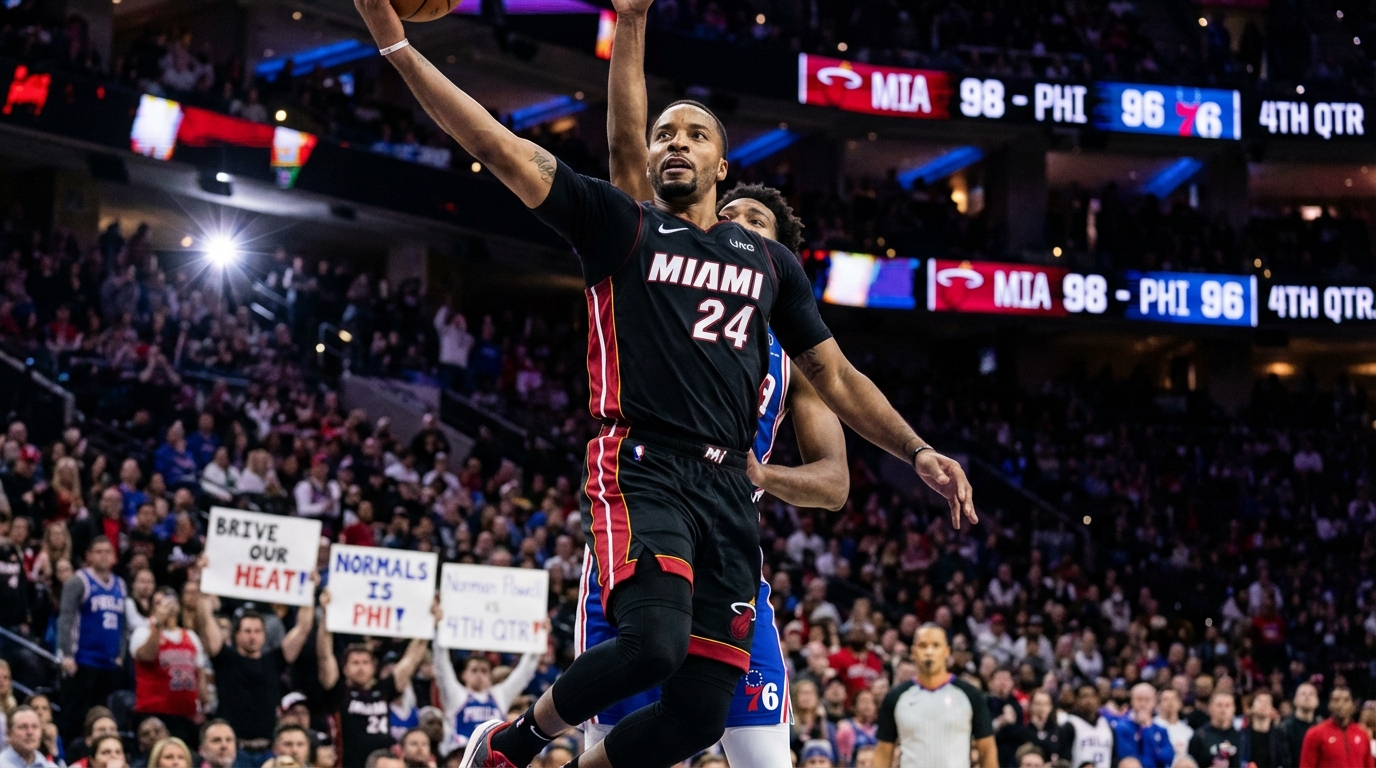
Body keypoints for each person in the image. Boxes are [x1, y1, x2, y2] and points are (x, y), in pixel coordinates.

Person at [353, 0, 975, 764]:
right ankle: (513, 740)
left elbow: (836, 376)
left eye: (696, 133)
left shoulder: (771, 265)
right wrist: (397, 49)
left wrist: (917, 452)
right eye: (664, 135)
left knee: (699, 719)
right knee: (652, 645)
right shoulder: (626, 228)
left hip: (729, 495)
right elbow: (498, 143)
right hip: (644, 465)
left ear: (722, 164)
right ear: (649, 163)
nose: (675, 142)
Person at [317, 589, 429, 766]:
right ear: (344, 669)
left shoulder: (383, 690)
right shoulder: (338, 691)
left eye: (365, 662)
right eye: (355, 663)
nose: (361, 668)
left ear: (373, 667)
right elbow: (324, 655)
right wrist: (326, 616)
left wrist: (428, 621)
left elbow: (411, 659)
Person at [204, 599, 316, 765]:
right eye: (247, 631)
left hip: (268, 751)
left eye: (257, 631)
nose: (253, 636)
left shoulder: (275, 660)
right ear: (237, 634)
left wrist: (309, 591)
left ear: (264, 635)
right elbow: (205, 620)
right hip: (235, 752)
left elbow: (303, 628)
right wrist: (203, 593)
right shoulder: (225, 658)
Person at [872, 624, 996, 768]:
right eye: (923, 646)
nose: (929, 652)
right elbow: (883, 752)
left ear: (946, 651)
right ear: (913, 652)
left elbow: (987, 750)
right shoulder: (896, 697)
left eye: (936, 645)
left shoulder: (970, 695)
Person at [57, 537, 127, 741]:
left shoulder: (120, 584)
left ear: (114, 557)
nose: (104, 555)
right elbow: (66, 618)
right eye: (99, 551)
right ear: (89, 556)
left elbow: (123, 625)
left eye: (108, 551)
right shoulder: (79, 581)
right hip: (83, 662)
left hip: (109, 664)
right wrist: (67, 654)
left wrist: (120, 655)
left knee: (103, 719)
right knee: (76, 719)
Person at [130, 587, 212, 747]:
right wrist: (158, 626)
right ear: (154, 608)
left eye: (171, 601)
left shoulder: (191, 637)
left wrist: (203, 706)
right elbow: (147, 655)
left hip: (186, 714)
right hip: (154, 712)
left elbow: (199, 675)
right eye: (161, 603)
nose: (168, 607)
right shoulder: (142, 632)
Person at [432, 641, 539, 755]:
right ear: (463, 675)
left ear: (490, 675)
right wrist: (440, 636)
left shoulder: (500, 695)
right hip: (461, 755)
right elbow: (442, 667)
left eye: (484, 670)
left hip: (491, 756)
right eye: (474, 670)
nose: (479, 675)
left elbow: (523, 673)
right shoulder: (456, 694)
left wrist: (537, 641)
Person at [1298, 686, 1373, 768]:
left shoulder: (1362, 734)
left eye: (1346, 700)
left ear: (1353, 705)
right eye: (1336, 700)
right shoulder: (1315, 734)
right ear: (1329, 705)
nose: (1340, 704)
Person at [1112, 683, 1173, 767]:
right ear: (1132, 701)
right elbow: (1127, 756)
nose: (1143, 704)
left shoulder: (1161, 730)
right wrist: (1156, 750)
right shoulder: (1121, 727)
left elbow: (1168, 758)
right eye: (1139, 699)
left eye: (1147, 700)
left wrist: (1147, 728)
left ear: (1154, 703)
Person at [1012, 690, 1074, 764]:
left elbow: (1066, 758)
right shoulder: (1022, 732)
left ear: (1050, 707)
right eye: (1037, 704)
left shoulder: (1059, 732)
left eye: (1045, 704)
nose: (1041, 708)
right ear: (1030, 706)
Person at [1188, 692, 1243, 768]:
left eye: (1227, 706)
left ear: (1234, 709)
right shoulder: (1199, 736)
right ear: (1210, 708)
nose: (1223, 710)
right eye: (1219, 705)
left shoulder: (1241, 736)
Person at [1066, 684, 1115, 768]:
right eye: (1084, 696)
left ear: (1098, 699)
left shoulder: (1107, 725)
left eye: (1092, 696)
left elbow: (1113, 757)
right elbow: (1065, 759)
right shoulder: (1070, 725)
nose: (1089, 700)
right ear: (1076, 700)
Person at [1280, 682, 1319, 763]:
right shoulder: (1284, 728)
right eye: (1303, 694)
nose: (1307, 697)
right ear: (1295, 700)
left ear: (1317, 701)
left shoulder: (1321, 728)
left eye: (1311, 694)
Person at [1154, 688, 1193, 760]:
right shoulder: (1152, 726)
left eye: (1173, 699)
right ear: (1158, 705)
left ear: (1179, 703)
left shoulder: (1187, 731)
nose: (1170, 702)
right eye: (1165, 699)